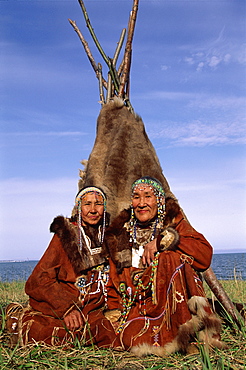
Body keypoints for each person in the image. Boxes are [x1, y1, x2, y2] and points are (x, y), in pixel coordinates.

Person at [105, 176, 224, 356]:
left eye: (147, 196)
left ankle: (186, 332)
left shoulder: (175, 224)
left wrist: (163, 240)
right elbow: (114, 280)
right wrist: (114, 311)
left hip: (177, 304)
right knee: (131, 337)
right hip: (141, 305)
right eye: (136, 197)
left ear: (160, 200)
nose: (141, 203)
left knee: (169, 258)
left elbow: (204, 255)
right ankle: (172, 339)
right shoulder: (121, 233)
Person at [6, 186, 120, 348]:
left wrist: (116, 307)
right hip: (67, 307)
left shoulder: (109, 236)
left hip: (94, 310)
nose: (93, 210)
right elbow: (39, 279)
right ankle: (17, 318)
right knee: (59, 336)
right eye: (87, 204)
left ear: (105, 207)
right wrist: (66, 308)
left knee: (111, 335)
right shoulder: (66, 236)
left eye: (98, 204)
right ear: (79, 207)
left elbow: (116, 275)